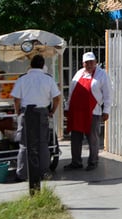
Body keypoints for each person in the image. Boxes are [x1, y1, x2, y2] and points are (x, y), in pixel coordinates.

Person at [11, 54, 61, 182]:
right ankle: (44, 172)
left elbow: (16, 99)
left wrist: (18, 112)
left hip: (26, 112)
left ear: (30, 65)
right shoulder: (48, 79)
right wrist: (51, 111)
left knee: (24, 144)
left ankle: (22, 173)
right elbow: (57, 98)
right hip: (42, 112)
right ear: (43, 65)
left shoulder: (22, 79)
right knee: (43, 144)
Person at [64, 52, 113, 171]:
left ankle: (93, 162)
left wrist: (106, 110)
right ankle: (76, 162)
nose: (89, 64)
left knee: (93, 138)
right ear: (83, 63)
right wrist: (67, 107)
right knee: (75, 138)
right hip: (76, 112)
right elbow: (71, 92)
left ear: (96, 62)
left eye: (92, 62)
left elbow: (108, 94)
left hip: (93, 112)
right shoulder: (78, 74)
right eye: (87, 62)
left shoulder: (102, 75)